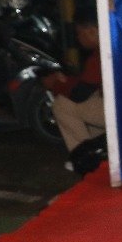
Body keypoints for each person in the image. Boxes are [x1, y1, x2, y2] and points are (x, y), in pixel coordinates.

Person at [45, 11, 106, 163]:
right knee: (90, 104)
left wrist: (56, 83)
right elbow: (88, 83)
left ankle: (85, 157)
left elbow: (79, 94)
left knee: (62, 105)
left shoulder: (102, 54)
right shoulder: (111, 46)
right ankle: (102, 151)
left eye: (80, 33)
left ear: (93, 31)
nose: (78, 38)